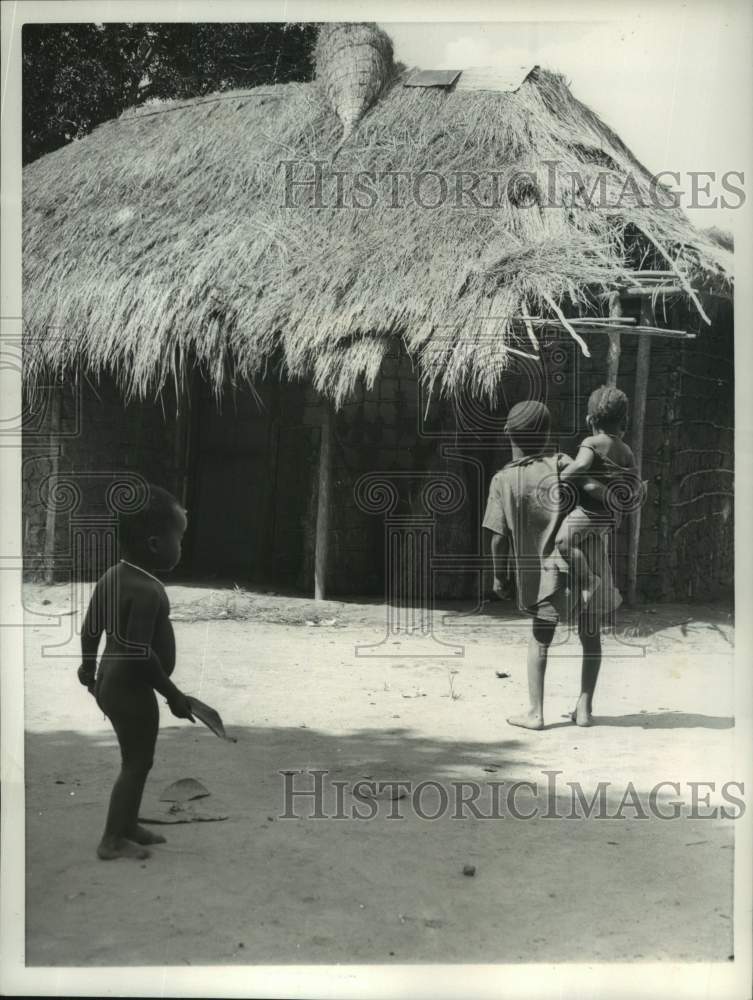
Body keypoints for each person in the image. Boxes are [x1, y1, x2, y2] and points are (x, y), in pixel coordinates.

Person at [483, 400, 617, 730]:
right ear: (546, 436)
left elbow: (497, 538)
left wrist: (500, 577)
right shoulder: (561, 463)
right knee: (591, 636)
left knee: (540, 639)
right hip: (583, 566)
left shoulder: (502, 480)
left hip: (545, 577)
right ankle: (584, 708)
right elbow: (589, 489)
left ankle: (536, 713)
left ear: (508, 433)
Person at [77, 484, 195, 860]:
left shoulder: (113, 575)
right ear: (156, 544)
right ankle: (112, 838)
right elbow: (140, 653)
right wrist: (172, 693)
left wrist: (88, 667)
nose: (182, 546)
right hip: (132, 689)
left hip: (111, 683)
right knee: (137, 761)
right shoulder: (148, 591)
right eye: (179, 537)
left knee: (136, 757)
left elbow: (90, 627)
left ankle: (127, 825)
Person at [555, 386, 638, 607]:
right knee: (589, 544)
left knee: (563, 542)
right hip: (610, 517)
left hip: (591, 512)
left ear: (590, 419)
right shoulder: (627, 450)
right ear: (623, 420)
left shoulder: (592, 443)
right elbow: (633, 484)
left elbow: (581, 465)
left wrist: (561, 477)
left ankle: (588, 579)